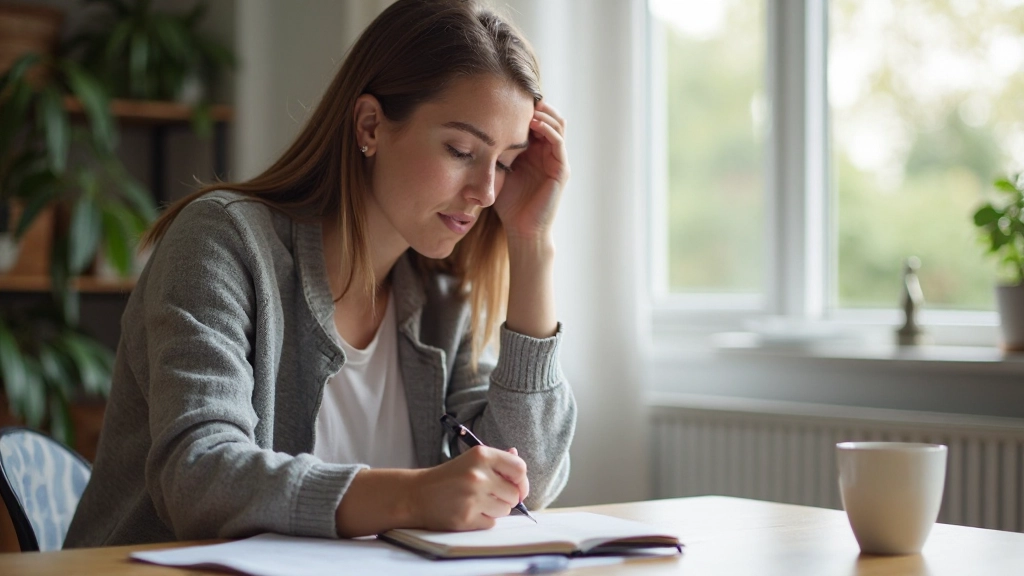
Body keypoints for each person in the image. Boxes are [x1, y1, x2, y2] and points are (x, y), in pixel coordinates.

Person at [64, 0, 575, 547]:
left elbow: (526, 482)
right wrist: (413, 496)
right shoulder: (222, 241)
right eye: (461, 150)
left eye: (505, 162)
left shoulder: (440, 299)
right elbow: (198, 477)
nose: (487, 192)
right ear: (370, 125)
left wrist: (531, 243)